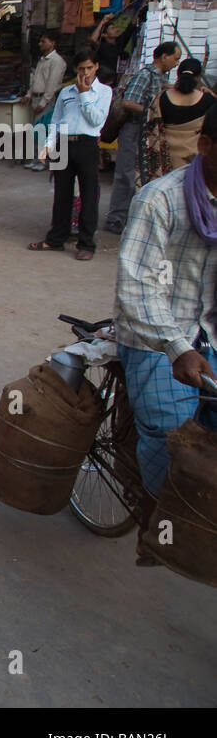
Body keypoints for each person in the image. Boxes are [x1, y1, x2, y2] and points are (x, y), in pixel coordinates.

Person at [115, 106, 217, 511]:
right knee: (171, 429)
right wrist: (178, 347)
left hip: (210, 331)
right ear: (205, 146)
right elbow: (137, 287)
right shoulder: (160, 199)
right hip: (157, 337)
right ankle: (159, 516)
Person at [28, 49, 113, 260]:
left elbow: (97, 120)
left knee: (88, 195)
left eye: (89, 68)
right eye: (81, 68)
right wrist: (47, 145)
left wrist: (84, 94)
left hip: (87, 144)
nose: (85, 72)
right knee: (62, 194)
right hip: (63, 144)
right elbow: (56, 121)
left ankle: (86, 244)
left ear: (96, 67)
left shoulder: (104, 92)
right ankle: (56, 238)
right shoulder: (66, 93)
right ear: (76, 68)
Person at [106, 42, 182, 234]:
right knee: (126, 175)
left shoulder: (158, 78)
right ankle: (116, 219)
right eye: (175, 58)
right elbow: (128, 102)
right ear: (163, 56)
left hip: (144, 132)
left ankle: (129, 218)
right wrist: (151, 112)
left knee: (140, 175)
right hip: (133, 129)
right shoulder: (145, 75)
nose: (176, 62)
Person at [139, 58, 217, 185]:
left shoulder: (161, 98)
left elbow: (149, 126)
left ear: (178, 75)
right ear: (198, 77)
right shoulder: (208, 100)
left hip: (165, 161)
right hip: (194, 159)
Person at [23, 31, 66, 170]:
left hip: (45, 99)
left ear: (53, 43)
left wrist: (43, 102)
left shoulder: (57, 61)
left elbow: (52, 84)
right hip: (36, 97)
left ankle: (42, 161)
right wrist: (29, 94)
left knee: (44, 129)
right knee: (37, 130)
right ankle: (36, 159)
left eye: (44, 41)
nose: (40, 44)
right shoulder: (43, 59)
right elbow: (35, 80)